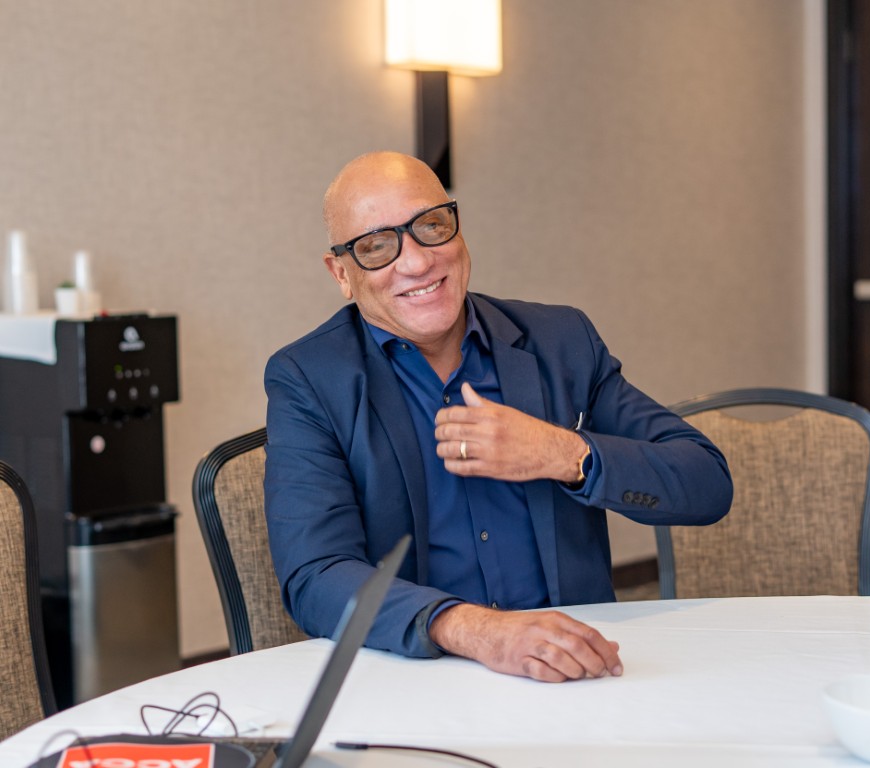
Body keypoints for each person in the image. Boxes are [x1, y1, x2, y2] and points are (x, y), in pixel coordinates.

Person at [264, 151, 732, 683]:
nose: (416, 263)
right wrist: (479, 631)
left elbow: (706, 484)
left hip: (575, 670)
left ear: (458, 229)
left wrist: (563, 453)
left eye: (430, 226)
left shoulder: (560, 341)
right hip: (417, 677)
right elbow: (316, 575)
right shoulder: (309, 378)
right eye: (376, 246)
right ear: (341, 274)